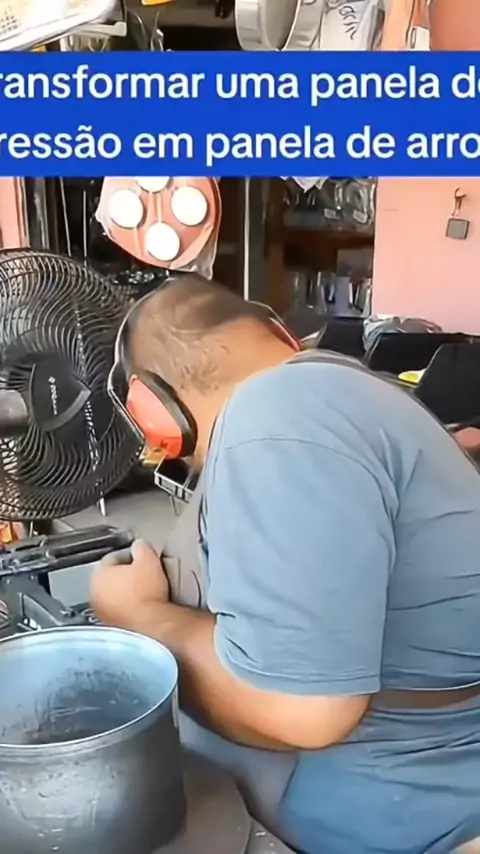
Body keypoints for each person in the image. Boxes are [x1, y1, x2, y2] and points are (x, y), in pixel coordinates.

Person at [91, 274, 480, 854]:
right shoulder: (347, 393)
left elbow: (302, 709)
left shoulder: (277, 415)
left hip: (388, 814)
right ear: (281, 333)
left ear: (151, 411)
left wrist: (138, 617)